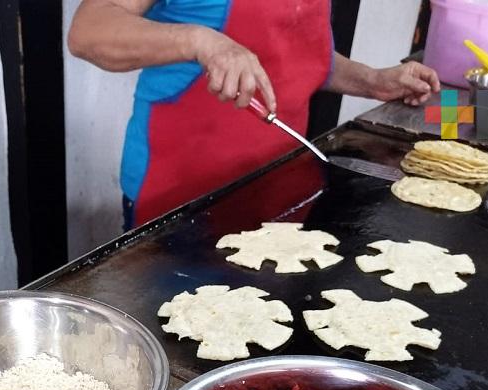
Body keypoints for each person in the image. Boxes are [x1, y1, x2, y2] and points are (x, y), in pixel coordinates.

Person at [68, 0, 441, 228]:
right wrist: (200, 41)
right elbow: (88, 32)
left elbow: (295, 53)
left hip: (280, 188)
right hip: (181, 199)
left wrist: (373, 81)